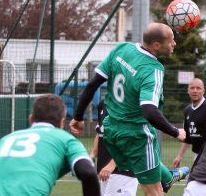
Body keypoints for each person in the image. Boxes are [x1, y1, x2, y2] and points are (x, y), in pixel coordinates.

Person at [69, 23, 188, 196]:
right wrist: (175, 132)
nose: (175, 44)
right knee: (154, 191)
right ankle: (168, 177)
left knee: (144, 170)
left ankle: (167, 176)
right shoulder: (153, 69)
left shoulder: (122, 49)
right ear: (156, 45)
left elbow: (93, 84)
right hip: (136, 134)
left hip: (111, 129)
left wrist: (78, 116)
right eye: (171, 41)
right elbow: (149, 110)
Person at [0, 94, 100, 196]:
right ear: (61, 123)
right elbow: (88, 173)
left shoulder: (6, 139)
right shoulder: (66, 139)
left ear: (31, 119)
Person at [91, 99, 139, 196]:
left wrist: (112, 164)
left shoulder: (129, 102)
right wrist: (92, 154)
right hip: (104, 171)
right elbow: (100, 132)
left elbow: (130, 138)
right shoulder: (103, 102)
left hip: (123, 171)